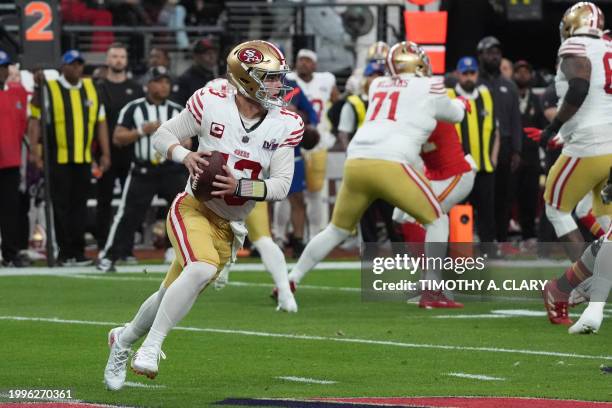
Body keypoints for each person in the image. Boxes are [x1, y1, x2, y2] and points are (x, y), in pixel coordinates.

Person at [103, 40, 303, 390]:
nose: (277, 85)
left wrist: (239, 187)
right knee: (202, 267)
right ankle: (151, 347)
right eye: (269, 78)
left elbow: (282, 185)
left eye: (277, 77)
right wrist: (184, 156)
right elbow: (163, 135)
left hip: (230, 225)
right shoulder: (211, 102)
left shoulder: (286, 123)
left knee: (170, 292)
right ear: (246, 79)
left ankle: (123, 339)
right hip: (192, 207)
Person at [285, 41, 467, 295]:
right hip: (390, 162)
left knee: (336, 229)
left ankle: (292, 277)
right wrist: (461, 102)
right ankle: (433, 287)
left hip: (357, 161)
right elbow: (455, 116)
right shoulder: (429, 85)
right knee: (437, 219)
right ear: (417, 63)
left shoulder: (379, 83)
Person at [522, 2, 612, 325]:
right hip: (609, 145)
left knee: (555, 207)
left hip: (588, 146)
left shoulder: (575, 45)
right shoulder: (609, 46)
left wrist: (552, 129)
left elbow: (579, 87)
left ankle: (576, 285)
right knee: (605, 218)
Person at [97, 67, 186, 272]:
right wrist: (141, 131)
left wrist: (169, 135)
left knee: (185, 212)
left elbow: (188, 141)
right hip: (143, 170)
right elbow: (118, 138)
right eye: (159, 81)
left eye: (167, 81)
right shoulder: (134, 108)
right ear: (148, 84)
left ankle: (183, 254)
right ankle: (109, 256)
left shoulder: (176, 110)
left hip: (171, 170)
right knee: (128, 215)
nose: (164, 86)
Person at [30, 50, 111, 266]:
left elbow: (100, 122)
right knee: (60, 206)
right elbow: (35, 119)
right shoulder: (50, 88)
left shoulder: (91, 88)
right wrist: (35, 153)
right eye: (72, 65)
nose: (76, 68)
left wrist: (105, 153)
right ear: (62, 67)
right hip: (58, 158)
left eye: (79, 65)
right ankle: (62, 251)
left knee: (80, 206)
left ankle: (77, 251)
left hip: (83, 158)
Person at [337, 61, 401, 245]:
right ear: (365, 79)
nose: (377, 79)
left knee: (392, 211)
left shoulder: (391, 101)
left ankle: (400, 252)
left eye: (380, 75)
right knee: (366, 214)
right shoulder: (355, 102)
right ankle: (370, 255)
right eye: (373, 75)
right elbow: (343, 133)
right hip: (363, 165)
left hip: (387, 164)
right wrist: (352, 157)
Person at [96, 43, 145, 253]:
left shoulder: (135, 88)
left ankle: (127, 246)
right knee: (103, 200)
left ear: (126, 60)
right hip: (105, 154)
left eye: (122, 57)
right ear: (107, 60)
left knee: (131, 202)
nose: (118, 60)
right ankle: (103, 245)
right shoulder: (99, 87)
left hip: (130, 153)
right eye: (114, 56)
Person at [287, 49, 340, 239]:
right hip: (289, 143)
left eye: (308, 60)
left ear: (315, 64)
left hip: (316, 141)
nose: (303, 63)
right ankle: (281, 235)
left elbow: (338, 105)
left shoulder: (325, 80)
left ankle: (317, 234)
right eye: (301, 60)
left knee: (315, 191)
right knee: (285, 194)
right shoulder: (287, 81)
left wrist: (331, 129)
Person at [447, 57, 499, 251]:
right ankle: (458, 253)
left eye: (472, 73)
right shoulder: (449, 96)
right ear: (457, 74)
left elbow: (496, 130)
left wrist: (492, 159)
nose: (469, 77)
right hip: (458, 169)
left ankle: (488, 252)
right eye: (465, 73)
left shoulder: (487, 96)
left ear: (477, 74)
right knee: (456, 211)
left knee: (487, 213)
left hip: (484, 167)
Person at [476, 36, 522, 243]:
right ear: (481, 56)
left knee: (503, 196)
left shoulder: (509, 86)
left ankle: (502, 240)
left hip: (504, 146)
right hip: (480, 146)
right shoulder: (474, 83)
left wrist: (517, 150)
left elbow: (515, 121)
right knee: (483, 196)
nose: (494, 56)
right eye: (489, 52)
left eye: (497, 52)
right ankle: (484, 240)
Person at [512, 60, 546, 243]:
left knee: (531, 200)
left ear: (531, 75)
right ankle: (504, 236)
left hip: (532, 160)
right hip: (513, 159)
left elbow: (543, 129)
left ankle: (529, 236)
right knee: (510, 198)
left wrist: (542, 158)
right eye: (519, 72)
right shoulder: (509, 98)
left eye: (526, 71)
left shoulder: (537, 100)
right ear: (514, 75)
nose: (522, 75)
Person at [0, 50, 28, 267]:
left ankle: (10, 253)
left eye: (3, 66)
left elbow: (23, 127)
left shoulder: (18, 93)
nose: (1, 71)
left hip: (10, 162)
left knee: (10, 210)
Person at [172, 38, 219, 106]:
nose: (212, 56)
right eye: (207, 53)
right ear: (196, 56)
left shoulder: (214, 75)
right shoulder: (185, 79)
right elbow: (178, 106)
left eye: (214, 52)